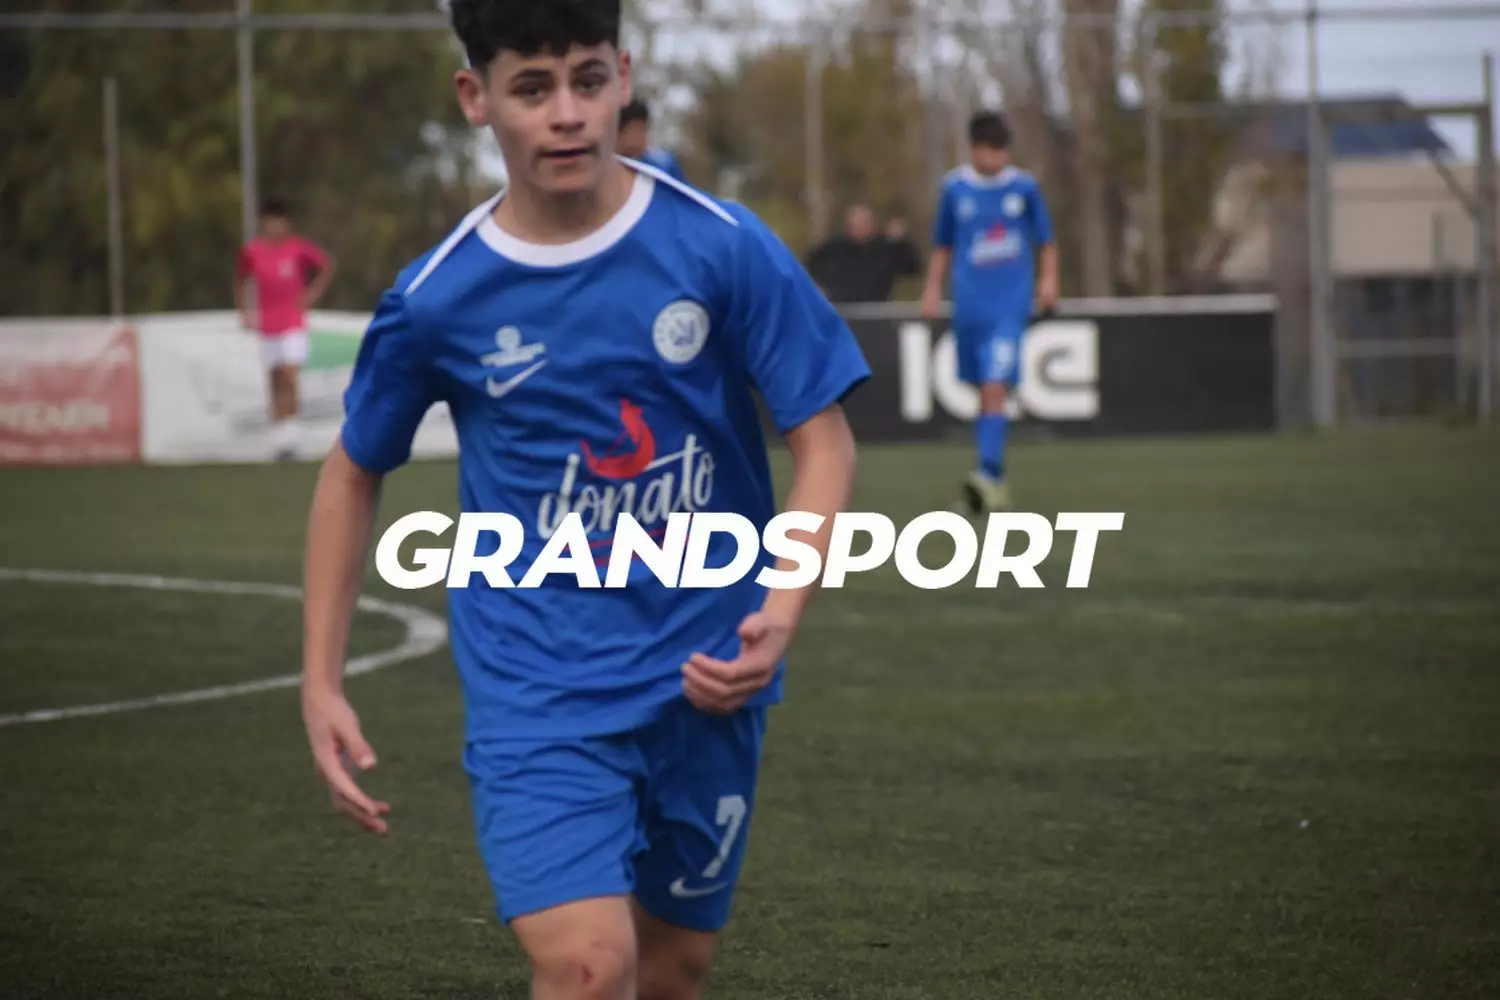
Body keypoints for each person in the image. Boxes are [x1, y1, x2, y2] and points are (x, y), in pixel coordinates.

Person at [299, 2, 869, 999]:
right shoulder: (439, 298)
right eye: (532, 87)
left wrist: (779, 611)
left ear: (624, 77)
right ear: (476, 97)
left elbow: (824, 445)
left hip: (706, 676)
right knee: (590, 966)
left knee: (672, 971)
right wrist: (320, 679)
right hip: (539, 687)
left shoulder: (721, 247)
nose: (567, 112)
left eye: (588, 80)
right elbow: (352, 471)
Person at [921, 111, 1058, 516]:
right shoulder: (955, 189)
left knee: (995, 386)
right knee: (983, 391)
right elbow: (943, 245)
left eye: (1003, 150)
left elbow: (1046, 240)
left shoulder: (1024, 188)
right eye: (991, 150)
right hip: (969, 307)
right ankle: (995, 484)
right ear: (974, 149)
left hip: (1009, 307)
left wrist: (1049, 281)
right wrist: (932, 289)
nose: (999, 158)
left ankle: (985, 472)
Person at [234, 198, 336, 460]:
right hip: (267, 325)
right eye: (270, 221)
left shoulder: (297, 248)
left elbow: (326, 266)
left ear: (287, 224)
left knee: (290, 374)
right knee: (274, 377)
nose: (275, 227)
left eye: (279, 221)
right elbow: (241, 280)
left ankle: (292, 432)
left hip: (292, 322)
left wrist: (312, 293)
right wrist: (244, 311)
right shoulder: (253, 251)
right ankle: (279, 434)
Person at [804, 202, 921, 304]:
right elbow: (807, 271)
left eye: (866, 222)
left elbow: (913, 268)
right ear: (848, 224)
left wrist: (902, 243)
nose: (862, 226)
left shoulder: (886, 248)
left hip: (877, 314)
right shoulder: (832, 249)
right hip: (840, 313)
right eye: (858, 222)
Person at [617, 97, 687, 183]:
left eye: (644, 130)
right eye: (635, 130)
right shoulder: (606, 169)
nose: (642, 138)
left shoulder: (663, 166)